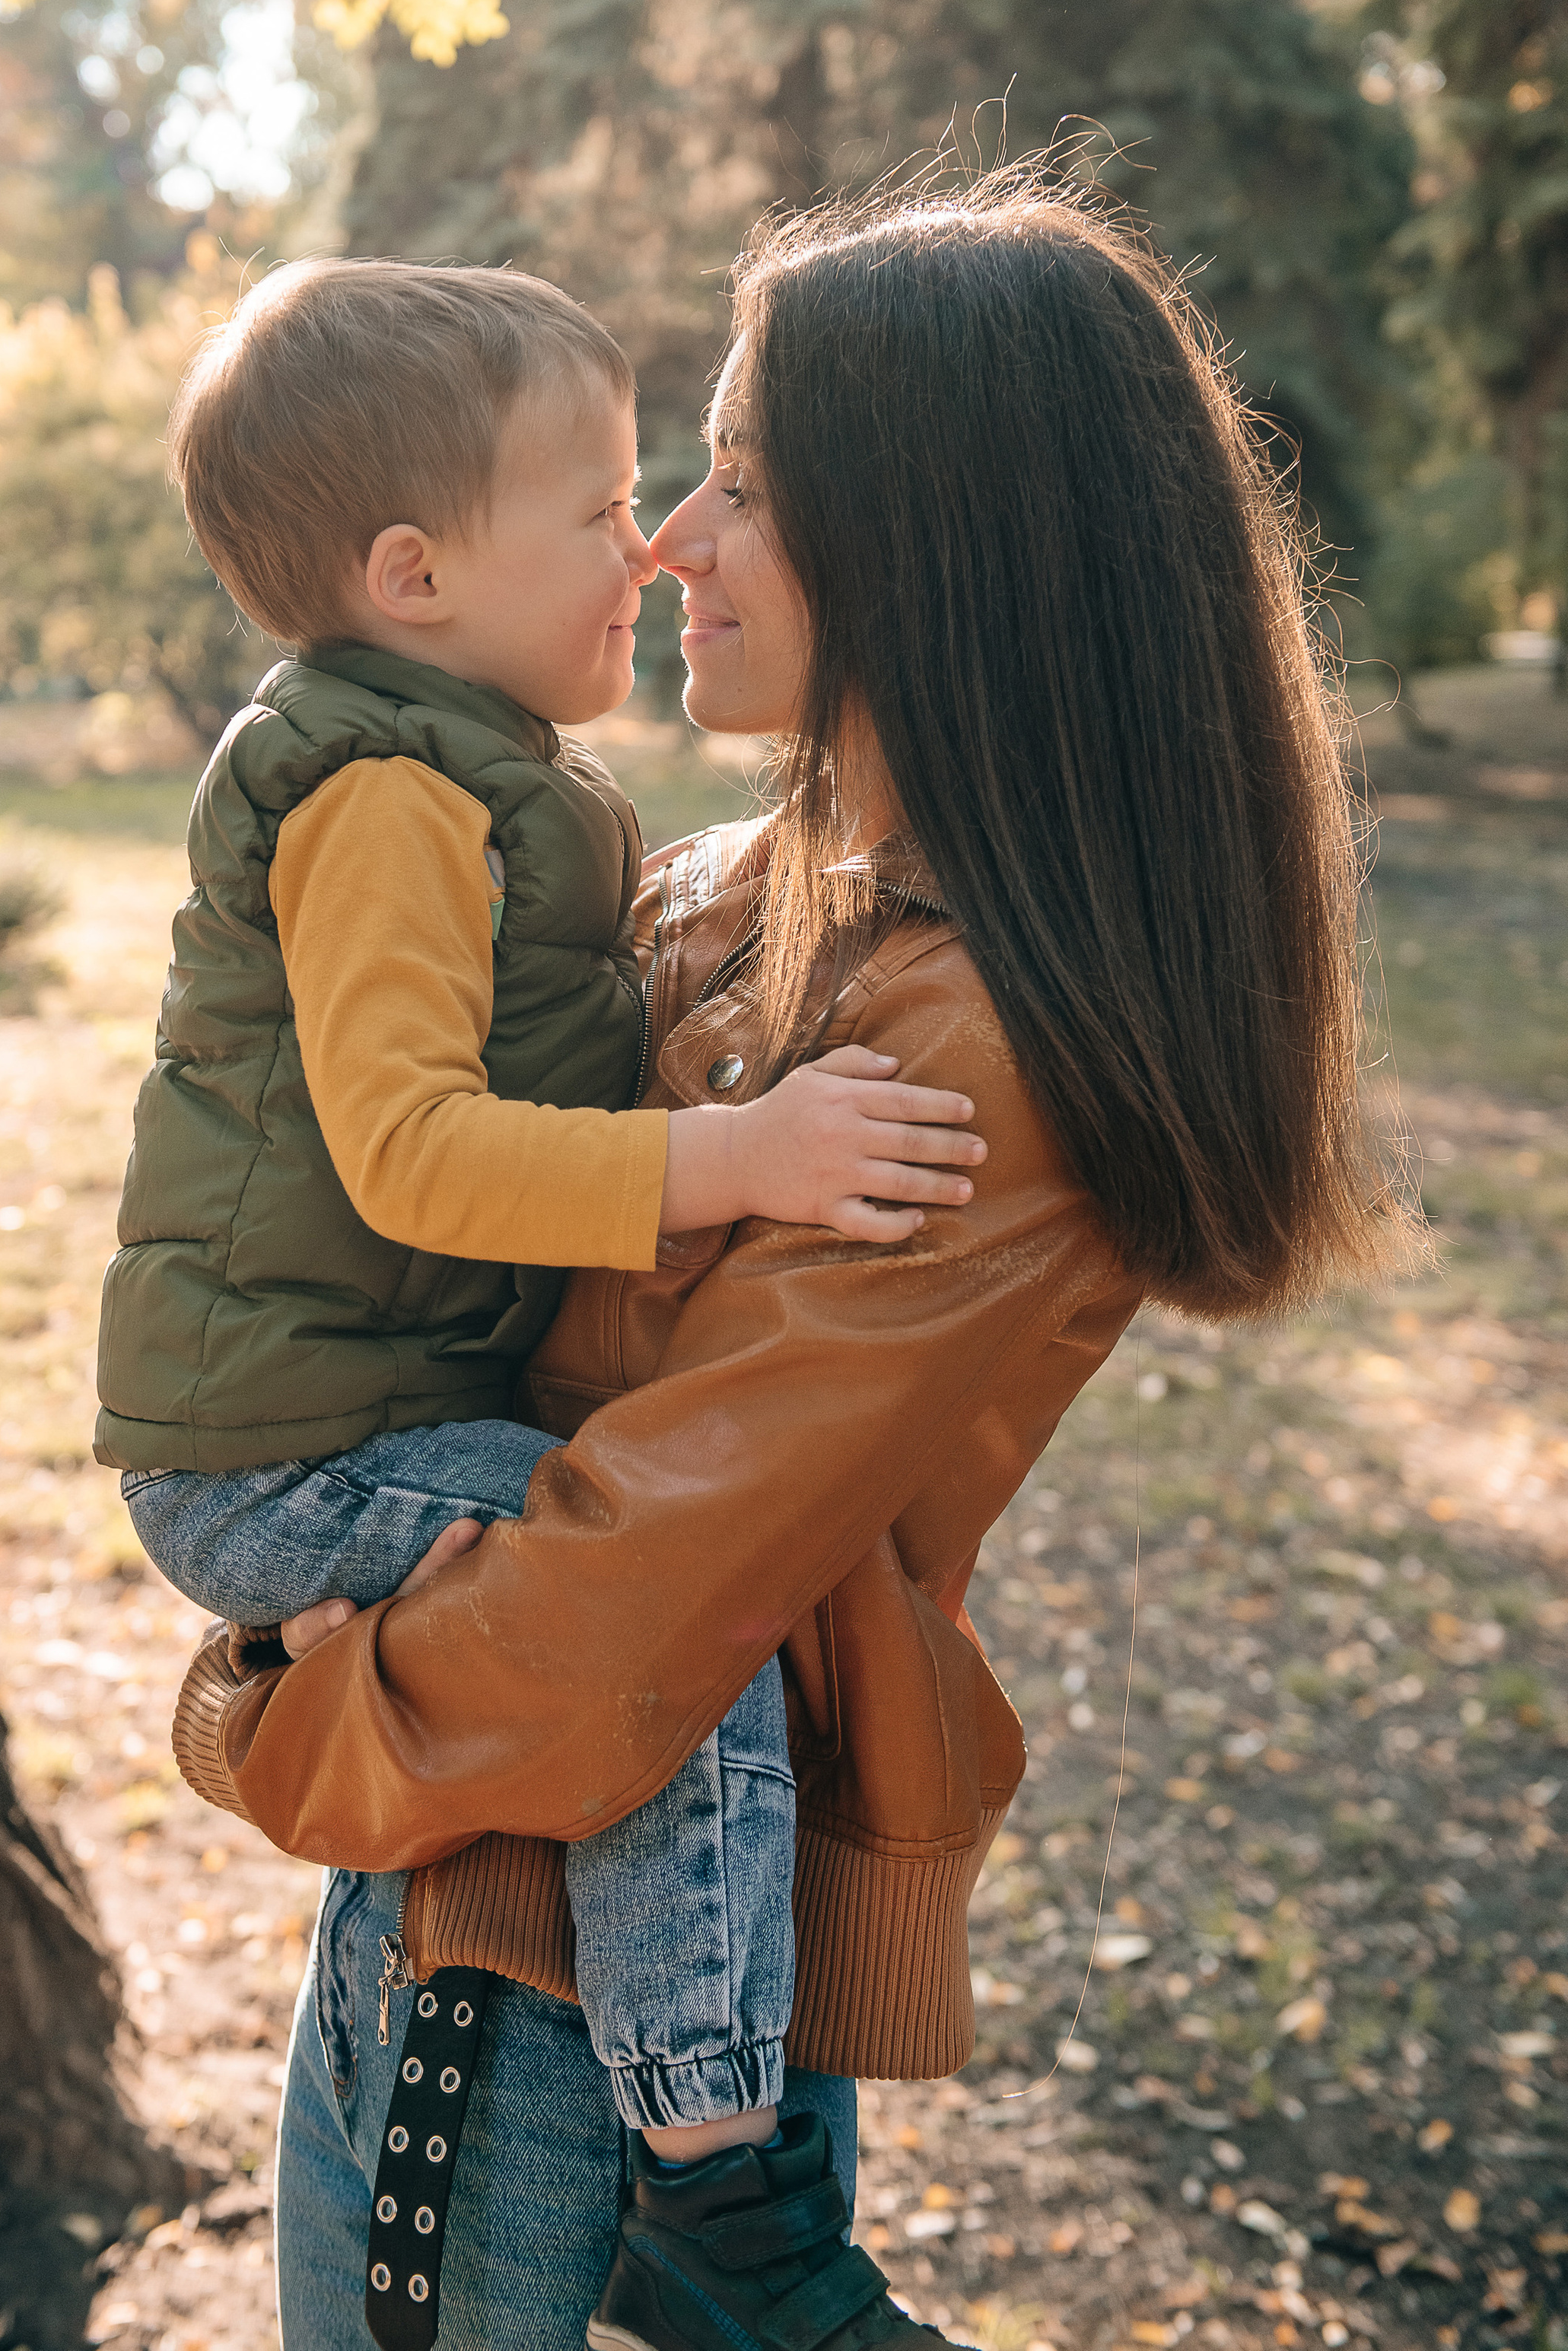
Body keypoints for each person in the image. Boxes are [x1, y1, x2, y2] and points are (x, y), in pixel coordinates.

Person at [174, 177, 1411, 2351]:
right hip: (555, 1893)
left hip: (545, 1970)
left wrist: (258, 1713)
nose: (665, 542)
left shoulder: (980, 1040)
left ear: (937, 543)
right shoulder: (723, 886)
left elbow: (643, 1582)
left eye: (741, 483)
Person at [96, 258, 986, 2316]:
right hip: (293, 1449)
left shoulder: (496, 775)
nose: (646, 538)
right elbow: (411, 1148)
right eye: (595, 506)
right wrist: (741, 1158)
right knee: (662, 1614)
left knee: (660, 1601)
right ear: (412, 574)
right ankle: (703, 2154)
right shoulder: (389, 794)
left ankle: (701, 2121)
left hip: (356, 1424)